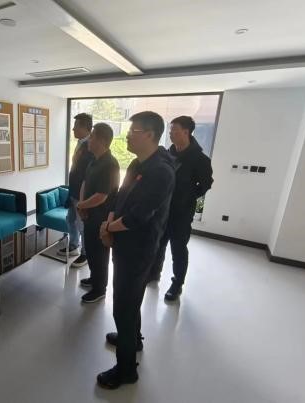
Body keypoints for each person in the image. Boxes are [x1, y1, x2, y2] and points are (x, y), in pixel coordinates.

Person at [97, 111, 175, 389]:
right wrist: (108, 223)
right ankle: (133, 338)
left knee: (123, 307)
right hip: (123, 242)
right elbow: (120, 198)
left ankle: (126, 370)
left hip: (138, 249)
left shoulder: (161, 171)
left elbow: (138, 216)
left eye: (133, 131)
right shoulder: (136, 163)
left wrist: (108, 229)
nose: (127, 136)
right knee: (130, 300)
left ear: (151, 135)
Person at [148, 115, 214, 301]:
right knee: (158, 243)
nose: (170, 133)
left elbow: (206, 184)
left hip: (182, 213)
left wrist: (188, 196)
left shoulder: (200, 159)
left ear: (186, 132)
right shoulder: (169, 153)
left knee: (178, 249)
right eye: (170, 130)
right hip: (163, 209)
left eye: (174, 130)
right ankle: (154, 273)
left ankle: (177, 284)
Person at [77, 123, 119, 303]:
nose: (89, 139)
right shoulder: (94, 160)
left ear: (102, 140)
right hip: (89, 215)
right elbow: (85, 183)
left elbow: (102, 196)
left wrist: (82, 205)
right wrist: (81, 206)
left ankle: (100, 289)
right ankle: (94, 278)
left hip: (101, 218)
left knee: (100, 254)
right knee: (91, 251)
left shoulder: (110, 164)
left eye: (92, 136)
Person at [58, 113, 94, 268]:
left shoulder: (91, 146)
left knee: (82, 225)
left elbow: (87, 175)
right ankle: (74, 245)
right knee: (70, 219)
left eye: (76, 126)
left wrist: (82, 199)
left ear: (86, 128)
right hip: (73, 191)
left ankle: (85, 254)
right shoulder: (81, 143)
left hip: (82, 194)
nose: (73, 129)